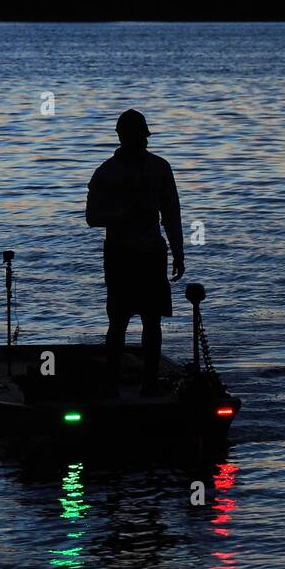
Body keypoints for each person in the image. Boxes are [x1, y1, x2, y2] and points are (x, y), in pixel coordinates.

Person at [85, 109, 184, 396]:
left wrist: (178, 252)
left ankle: (149, 383)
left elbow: (172, 213)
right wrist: (124, 214)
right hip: (121, 255)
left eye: (142, 137)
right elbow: (92, 217)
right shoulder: (106, 172)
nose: (141, 141)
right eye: (136, 136)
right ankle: (112, 385)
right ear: (122, 136)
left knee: (151, 321)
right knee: (118, 320)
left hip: (152, 254)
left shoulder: (160, 168)